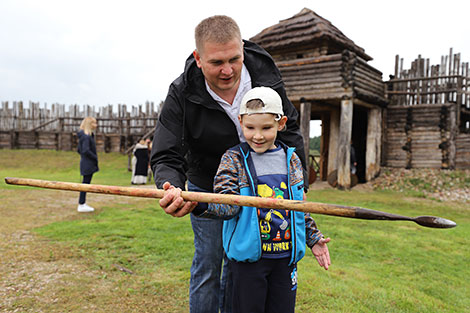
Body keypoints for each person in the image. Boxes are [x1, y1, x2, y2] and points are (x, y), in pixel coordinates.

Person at [150, 15, 311, 313]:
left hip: (263, 187)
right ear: (198, 58)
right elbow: (165, 153)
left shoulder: (266, 76)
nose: (228, 70)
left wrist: (298, 185)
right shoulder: (182, 92)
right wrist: (171, 186)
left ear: (243, 51)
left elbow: (290, 129)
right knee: (210, 263)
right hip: (208, 187)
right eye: (216, 62)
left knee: (244, 264)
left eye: (234, 59)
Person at [193, 87, 330, 313]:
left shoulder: (292, 160)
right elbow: (227, 206)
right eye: (250, 128)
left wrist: (313, 238)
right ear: (240, 122)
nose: (258, 136)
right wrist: (199, 203)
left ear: (281, 123)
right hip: (248, 263)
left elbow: (299, 207)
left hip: (285, 260)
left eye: (266, 128)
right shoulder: (233, 159)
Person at [77, 116, 98, 213]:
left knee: (86, 183)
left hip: (85, 162)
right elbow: (85, 150)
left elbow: (79, 150)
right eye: (94, 123)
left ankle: (82, 203)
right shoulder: (86, 137)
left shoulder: (86, 136)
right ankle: (81, 204)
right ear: (89, 124)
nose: (96, 125)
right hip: (87, 163)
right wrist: (94, 157)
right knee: (85, 184)